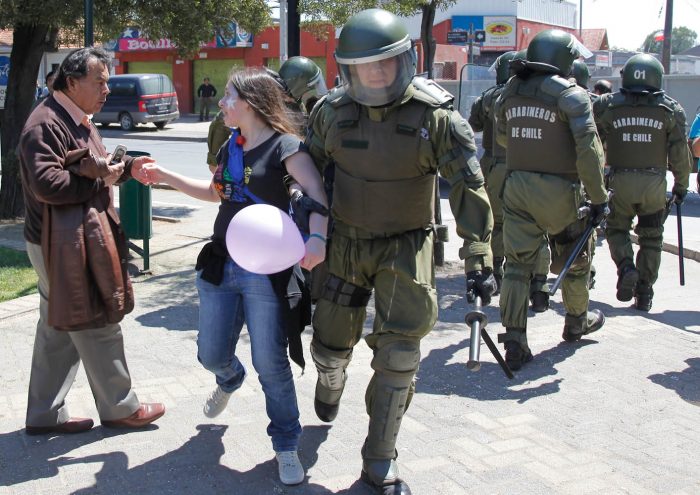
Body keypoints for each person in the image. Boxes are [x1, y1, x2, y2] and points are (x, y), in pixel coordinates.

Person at [305, 9, 495, 494]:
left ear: (402, 62)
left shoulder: (438, 120)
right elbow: (308, 175)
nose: (374, 76)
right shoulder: (329, 113)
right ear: (347, 70)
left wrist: (480, 258)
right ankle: (330, 383)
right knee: (329, 347)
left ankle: (379, 459)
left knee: (400, 356)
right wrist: (305, 233)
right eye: (363, 67)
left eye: (383, 65)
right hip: (345, 245)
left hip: (407, 247)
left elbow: (470, 192)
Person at [139, 67, 328, 486]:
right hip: (221, 263)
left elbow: (316, 194)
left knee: (270, 363)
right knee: (210, 354)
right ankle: (229, 378)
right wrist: (165, 176)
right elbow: (215, 193)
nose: (222, 103)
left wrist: (317, 238)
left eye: (228, 97)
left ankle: (285, 444)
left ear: (252, 103)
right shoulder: (231, 145)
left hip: (266, 272)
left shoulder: (287, 147)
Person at [18, 47, 165, 436]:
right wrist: (101, 178)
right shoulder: (44, 124)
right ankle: (121, 408)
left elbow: (93, 166)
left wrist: (126, 168)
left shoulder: (76, 117)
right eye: (98, 81)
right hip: (60, 244)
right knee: (94, 317)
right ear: (71, 82)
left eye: (107, 81)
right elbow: (48, 183)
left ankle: (44, 413)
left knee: (59, 326)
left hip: (70, 239)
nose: (106, 89)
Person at [494, 29, 608, 370]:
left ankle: (514, 339)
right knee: (576, 256)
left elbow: (503, 138)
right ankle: (576, 322)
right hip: (561, 192)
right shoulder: (571, 95)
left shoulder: (509, 91)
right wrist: (599, 198)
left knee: (515, 265)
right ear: (562, 59)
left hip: (516, 187)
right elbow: (589, 150)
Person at [594, 54, 691, 311]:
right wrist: (680, 187)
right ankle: (645, 291)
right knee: (651, 237)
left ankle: (626, 267)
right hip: (654, 184)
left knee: (616, 229)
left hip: (619, 182)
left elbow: (591, 141)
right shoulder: (670, 109)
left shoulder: (607, 106)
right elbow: (681, 153)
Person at [469, 50, 551, 311]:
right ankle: (539, 285)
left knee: (497, 225)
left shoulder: (491, 97)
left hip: (496, 167)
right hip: (534, 168)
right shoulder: (546, 94)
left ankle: (496, 275)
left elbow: (475, 124)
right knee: (537, 227)